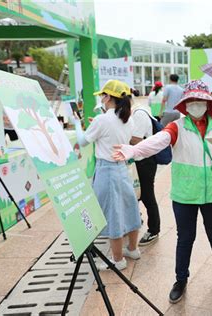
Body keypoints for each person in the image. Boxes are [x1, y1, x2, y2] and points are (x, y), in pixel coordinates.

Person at [112, 80, 212, 304]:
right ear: (185, 105)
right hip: (185, 195)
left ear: (208, 104)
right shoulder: (177, 126)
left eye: (200, 102)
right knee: (185, 239)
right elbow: (156, 142)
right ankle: (180, 280)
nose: (196, 105)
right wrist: (133, 149)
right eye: (191, 102)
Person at [74, 79, 141, 271]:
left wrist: (76, 123)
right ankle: (132, 249)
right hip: (122, 169)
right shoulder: (127, 118)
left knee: (113, 214)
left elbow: (82, 141)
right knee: (129, 207)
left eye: (103, 95)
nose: (102, 98)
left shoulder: (103, 120)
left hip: (107, 170)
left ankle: (118, 260)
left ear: (109, 96)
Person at [131, 90, 161, 246]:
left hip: (145, 161)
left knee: (147, 195)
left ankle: (154, 229)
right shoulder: (135, 112)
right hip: (139, 160)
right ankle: (137, 220)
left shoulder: (139, 114)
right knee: (137, 194)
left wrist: (117, 135)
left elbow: (136, 139)